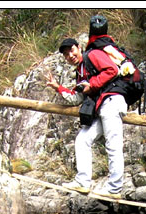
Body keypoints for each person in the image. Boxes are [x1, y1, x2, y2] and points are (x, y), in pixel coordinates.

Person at [46, 16, 128, 200]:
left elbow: (112, 71)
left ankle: (115, 188)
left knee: (113, 145)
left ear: (79, 48)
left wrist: (92, 84)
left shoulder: (93, 55)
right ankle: (83, 182)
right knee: (82, 139)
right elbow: (77, 98)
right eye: (66, 54)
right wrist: (57, 87)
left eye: (72, 50)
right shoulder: (81, 71)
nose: (70, 55)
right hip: (102, 107)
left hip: (113, 102)